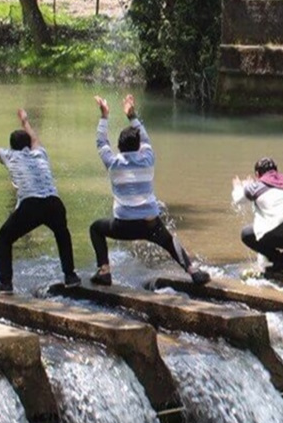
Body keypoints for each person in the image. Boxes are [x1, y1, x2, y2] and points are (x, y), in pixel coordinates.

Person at [89, 94, 209, 287]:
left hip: (123, 226)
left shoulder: (113, 164)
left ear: (118, 147)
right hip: (150, 223)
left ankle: (104, 271)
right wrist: (131, 114)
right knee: (170, 242)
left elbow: (101, 143)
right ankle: (193, 271)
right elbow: (144, 136)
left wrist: (104, 116)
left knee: (96, 229)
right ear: (139, 147)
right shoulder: (148, 159)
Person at [0, 109, 79, 293]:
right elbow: (34, 138)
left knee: (4, 237)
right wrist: (25, 121)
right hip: (54, 202)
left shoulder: (10, 156)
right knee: (62, 233)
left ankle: (5, 282)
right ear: (29, 145)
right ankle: (70, 275)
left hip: (32, 205)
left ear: (12, 147)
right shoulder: (40, 153)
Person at [233, 157, 283, 275]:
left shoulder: (256, 186)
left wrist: (238, 187)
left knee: (246, 234)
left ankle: (279, 260)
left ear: (257, 174)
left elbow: (238, 200)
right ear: (276, 171)